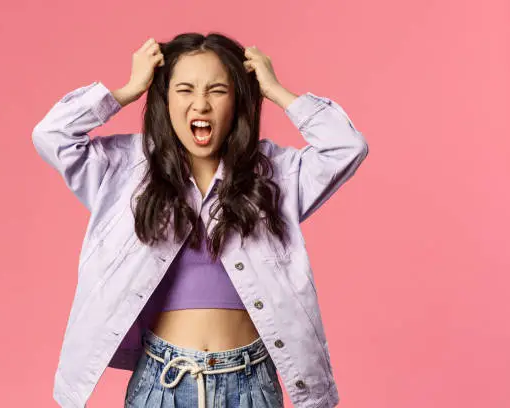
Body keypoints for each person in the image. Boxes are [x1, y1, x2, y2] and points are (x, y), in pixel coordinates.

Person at [32, 32, 368, 408]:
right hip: (163, 382)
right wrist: (127, 90)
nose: (201, 105)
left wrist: (276, 90)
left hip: (252, 383)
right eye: (185, 90)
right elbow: (51, 134)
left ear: (238, 99)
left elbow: (347, 147)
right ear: (164, 97)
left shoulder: (275, 175)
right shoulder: (124, 169)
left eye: (218, 91)